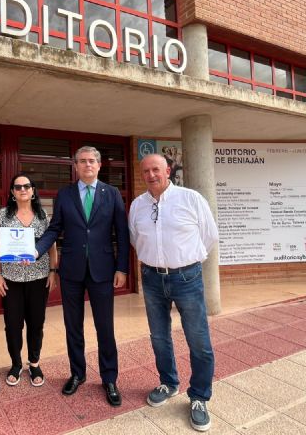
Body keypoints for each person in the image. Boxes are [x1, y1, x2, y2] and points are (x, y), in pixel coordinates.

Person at [129, 154, 218, 432]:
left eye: (156, 169)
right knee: (159, 336)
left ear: (168, 170)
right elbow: (135, 238)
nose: (151, 174)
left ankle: (200, 396)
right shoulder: (137, 205)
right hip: (152, 278)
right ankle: (168, 382)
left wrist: (186, 262)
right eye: (146, 171)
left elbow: (209, 235)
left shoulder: (191, 199)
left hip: (187, 277)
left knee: (198, 339)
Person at [35, 146, 130, 406]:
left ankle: (109, 378)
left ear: (99, 165)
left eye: (92, 161)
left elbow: (122, 233)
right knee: (72, 326)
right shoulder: (64, 194)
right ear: (75, 166)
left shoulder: (111, 194)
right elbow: (55, 229)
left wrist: (122, 268)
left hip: (103, 271)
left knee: (105, 327)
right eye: (82, 161)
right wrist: (36, 249)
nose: (87, 165)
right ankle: (77, 373)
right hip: (72, 271)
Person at [0, 174, 58, 387]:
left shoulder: (42, 215)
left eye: (26, 186)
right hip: (11, 279)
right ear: (12, 192)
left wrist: (53, 270)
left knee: (36, 323)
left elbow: (52, 245)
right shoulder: (3, 215)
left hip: (39, 278)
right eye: (17, 187)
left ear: (33, 190)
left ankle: (35, 363)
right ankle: (16, 363)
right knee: (12, 324)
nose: (22, 190)